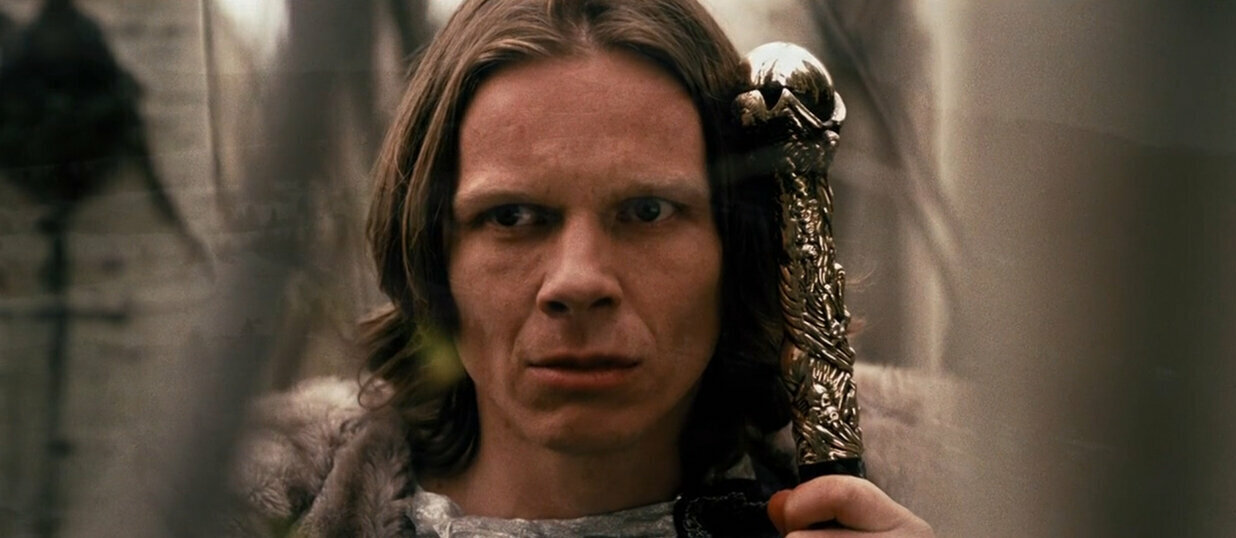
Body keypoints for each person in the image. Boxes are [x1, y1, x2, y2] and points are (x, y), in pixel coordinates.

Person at [230, 0, 932, 536]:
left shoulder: (963, 489)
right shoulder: (243, 505)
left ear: (738, 245)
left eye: (648, 211)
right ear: (430, 256)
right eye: (512, 217)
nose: (578, 281)